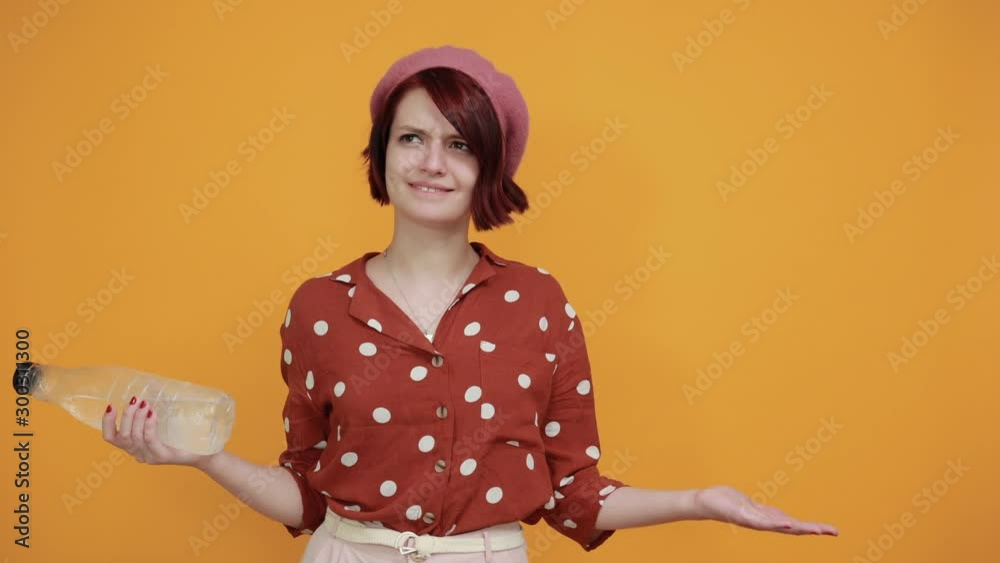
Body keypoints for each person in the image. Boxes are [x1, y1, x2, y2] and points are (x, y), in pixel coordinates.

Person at [101, 45, 839, 562]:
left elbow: (572, 494)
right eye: (411, 138)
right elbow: (309, 494)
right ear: (381, 154)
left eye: (458, 144)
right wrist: (205, 457)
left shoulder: (538, 303)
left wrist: (701, 499)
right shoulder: (317, 308)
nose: (429, 162)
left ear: (490, 164)